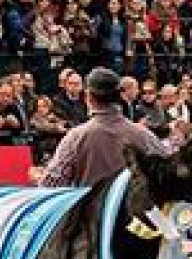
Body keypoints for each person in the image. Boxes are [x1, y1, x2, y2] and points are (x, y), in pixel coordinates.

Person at [37, 67, 172, 187]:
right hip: (132, 213)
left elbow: (50, 185)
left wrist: (39, 177)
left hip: (92, 212)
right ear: (120, 96)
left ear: (88, 96)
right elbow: (169, 170)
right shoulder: (143, 135)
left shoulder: (76, 137)